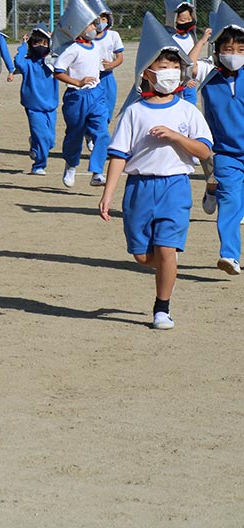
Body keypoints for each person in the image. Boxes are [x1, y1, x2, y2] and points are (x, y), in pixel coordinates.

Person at [99, 17, 212, 330]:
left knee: (166, 248)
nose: (169, 72)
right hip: (138, 189)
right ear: (146, 73)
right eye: (162, 67)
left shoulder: (188, 111)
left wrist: (176, 137)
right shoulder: (135, 111)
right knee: (142, 256)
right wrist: (108, 194)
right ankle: (165, 265)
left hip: (175, 187)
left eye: (174, 66)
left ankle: (162, 308)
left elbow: (203, 151)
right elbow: (119, 154)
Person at [199, 4, 244, 276]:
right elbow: (186, 65)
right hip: (225, 154)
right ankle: (229, 254)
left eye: (240, 50)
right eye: (228, 50)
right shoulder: (207, 75)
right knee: (231, 203)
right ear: (217, 52)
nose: (235, 55)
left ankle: (211, 187)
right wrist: (204, 40)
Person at [54, 0, 110, 189]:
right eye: (91, 26)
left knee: (102, 132)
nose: (95, 28)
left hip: (96, 94)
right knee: (75, 133)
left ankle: (97, 171)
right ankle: (71, 164)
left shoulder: (97, 46)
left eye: (95, 25)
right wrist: (77, 82)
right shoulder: (72, 49)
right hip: (76, 97)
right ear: (80, 28)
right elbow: (58, 72)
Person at [10, 26, 59, 174]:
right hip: (33, 107)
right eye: (37, 43)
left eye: (44, 43)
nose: (41, 47)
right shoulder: (27, 64)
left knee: (50, 140)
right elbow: (18, 61)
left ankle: (35, 146)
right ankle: (39, 165)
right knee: (43, 137)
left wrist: (54, 41)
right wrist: (23, 45)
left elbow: (65, 52)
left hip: (51, 106)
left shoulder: (53, 62)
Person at [88, 0, 124, 124]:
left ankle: (99, 130)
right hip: (92, 77)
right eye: (97, 20)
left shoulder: (113, 35)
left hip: (107, 77)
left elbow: (120, 57)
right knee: (93, 108)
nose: (101, 22)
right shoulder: (87, 38)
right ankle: (92, 132)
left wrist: (112, 64)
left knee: (108, 107)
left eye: (104, 19)